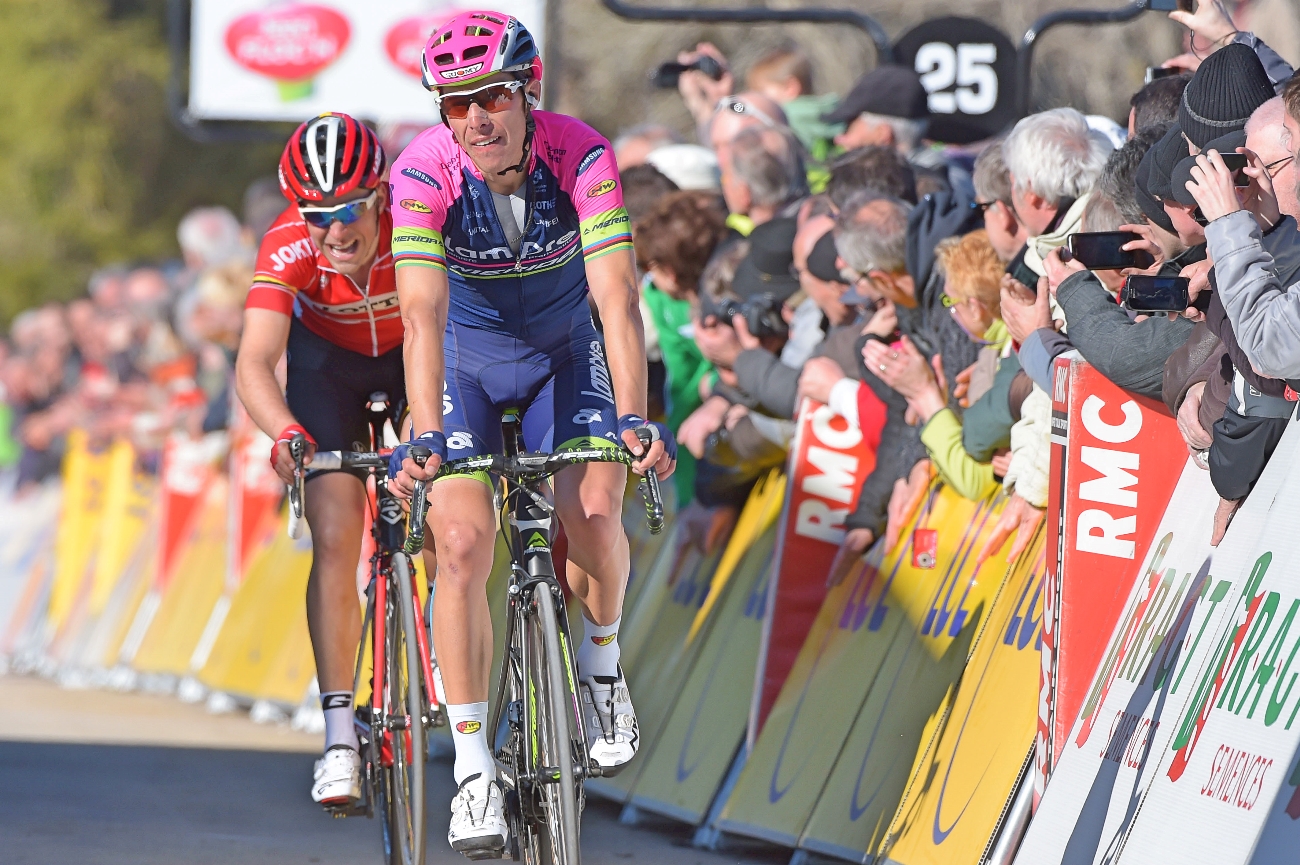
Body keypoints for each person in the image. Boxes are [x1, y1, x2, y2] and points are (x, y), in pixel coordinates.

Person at [384, 12, 675, 857]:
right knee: (465, 541)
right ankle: (473, 767)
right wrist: (429, 433)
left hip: (562, 352)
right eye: (457, 103)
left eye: (494, 97)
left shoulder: (581, 153)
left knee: (591, 509)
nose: (476, 119)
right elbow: (420, 312)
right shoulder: (421, 170)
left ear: (529, 90)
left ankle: (601, 667)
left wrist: (632, 414)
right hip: (465, 364)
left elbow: (617, 297)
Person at [233, 113, 401, 808]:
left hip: (412, 354)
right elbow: (254, 360)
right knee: (336, 533)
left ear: (383, 195)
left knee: (453, 504)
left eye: (351, 209)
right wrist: (282, 433)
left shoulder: (419, 227)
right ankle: (338, 735)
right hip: (327, 370)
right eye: (317, 214)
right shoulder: (285, 246)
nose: (335, 230)